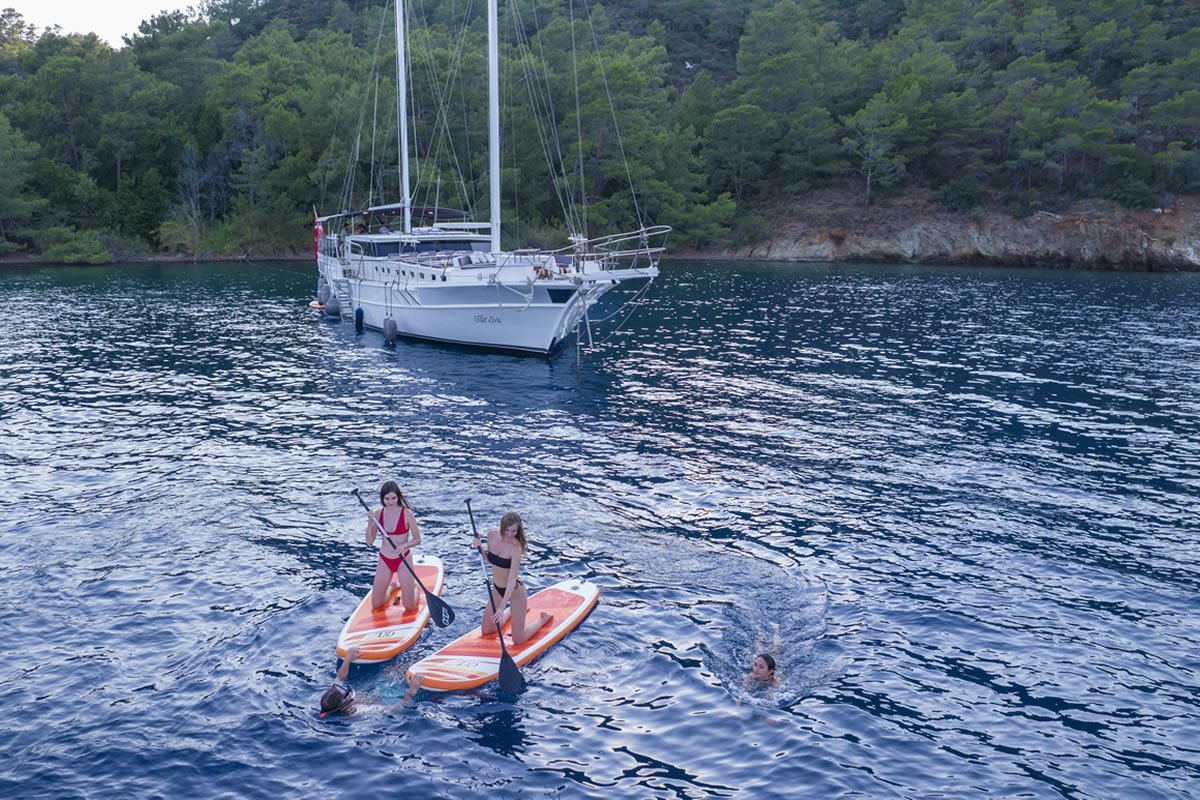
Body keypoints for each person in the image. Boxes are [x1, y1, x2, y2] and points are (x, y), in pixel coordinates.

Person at [472, 511, 553, 645]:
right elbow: (490, 560)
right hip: (497, 589)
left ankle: (543, 619)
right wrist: (479, 547)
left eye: (514, 531)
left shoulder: (516, 548)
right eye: (507, 530)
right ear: (502, 527)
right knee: (487, 631)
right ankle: (510, 612)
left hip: (515, 591)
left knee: (518, 640)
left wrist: (500, 608)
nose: (510, 534)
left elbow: (511, 580)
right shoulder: (491, 535)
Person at [366, 480, 423, 611]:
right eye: (387, 499)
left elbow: (417, 539)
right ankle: (392, 586)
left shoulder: (407, 514)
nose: (390, 502)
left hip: (403, 560)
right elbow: (369, 542)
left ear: (398, 497)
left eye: (393, 498)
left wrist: (404, 546)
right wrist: (370, 523)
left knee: (409, 607)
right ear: (382, 498)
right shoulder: (378, 514)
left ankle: (413, 586)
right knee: (376, 605)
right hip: (384, 559)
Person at [319, 646, 424, 717]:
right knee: (410, 677)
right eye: (346, 694)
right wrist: (411, 692)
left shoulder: (336, 694)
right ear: (345, 705)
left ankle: (416, 652)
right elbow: (392, 710)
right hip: (387, 697)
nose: (344, 690)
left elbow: (340, 678)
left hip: (377, 688)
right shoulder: (359, 711)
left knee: (392, 668)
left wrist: (348, 659)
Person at [743, 622, 782, 690]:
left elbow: (772, 697)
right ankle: (760, 633)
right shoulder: (749, 677)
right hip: (764, 662)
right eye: (755, 665)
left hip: (772, 664)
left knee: (775, 648)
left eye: (761, 667)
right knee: (758, 650)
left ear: (770, 671)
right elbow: (742, 693)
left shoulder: (774, 682)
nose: (756, 669)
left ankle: (776, 630)